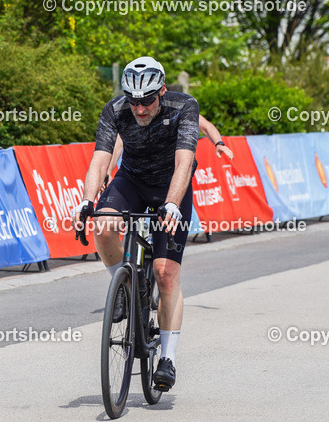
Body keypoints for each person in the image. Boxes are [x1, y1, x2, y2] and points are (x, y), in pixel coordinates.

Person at [72, 57, 199, 391]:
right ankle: (125, 288)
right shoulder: (115, 110)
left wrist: (172, 203)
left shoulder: (183, 106)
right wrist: (87, 200)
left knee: (165, 273)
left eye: (147, 100)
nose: (140, 108)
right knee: (102, 224)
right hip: (132, 180)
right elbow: (100, 159)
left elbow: (184, 161)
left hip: (172, 185)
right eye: (133, 101)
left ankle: (168, 358)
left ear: (162, 90)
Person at [101, 114, 232, 185]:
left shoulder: (179, 108)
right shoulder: (138, 112)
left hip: (173, 171)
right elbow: (119, 141)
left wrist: (219, 143)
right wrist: (107, 172)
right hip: (144, 171)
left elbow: (206, 127)